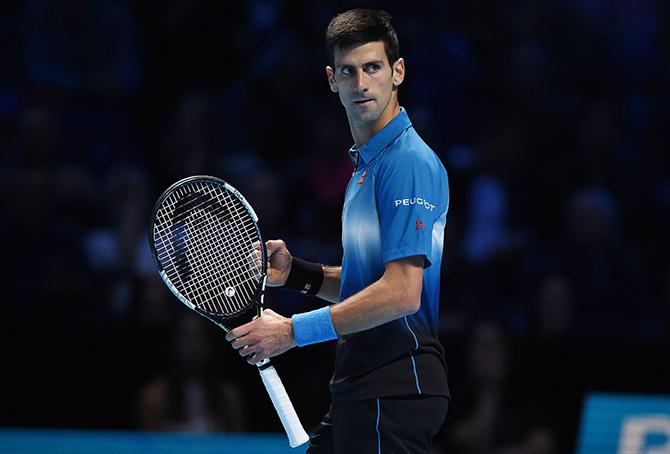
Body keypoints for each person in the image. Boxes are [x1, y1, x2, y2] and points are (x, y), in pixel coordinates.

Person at [225, 9, 450, 453]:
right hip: (359, 387)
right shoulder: (366, 167)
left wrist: (291, 332)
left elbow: (402, 293)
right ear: (332, 80)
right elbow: (365, 287)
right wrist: (297, 275)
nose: (361, 83)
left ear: (397, 71)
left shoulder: (407, 163)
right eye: (348, 71)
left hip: (394, 385)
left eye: (373, 68)